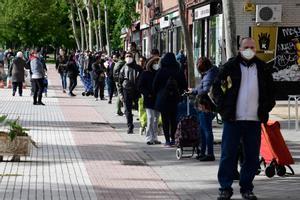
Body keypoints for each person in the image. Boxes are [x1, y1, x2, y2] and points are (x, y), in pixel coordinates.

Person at [212, 37, 276, 200]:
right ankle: (225, 188)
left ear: (256, 49)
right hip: (233, 120)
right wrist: (223, 109)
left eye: (252, 47)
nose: (249, 50)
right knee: (228, 154)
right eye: (246, 47)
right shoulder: (230, 67)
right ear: (240, 49)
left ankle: (247, 187)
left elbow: (271, 92)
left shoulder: (262, 68)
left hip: (254, 121)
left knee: (252, 157)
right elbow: (216, 89)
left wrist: (265, 108)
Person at [153, 52, 187, 147]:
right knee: (174, 119)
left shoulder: (161, 71)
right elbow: (184, 84)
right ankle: (173, 138)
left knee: (165, 120)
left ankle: (167, 140)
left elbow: (154, 85)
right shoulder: (178, 70)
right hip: (175, 98)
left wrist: (159, 93)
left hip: (163, 99)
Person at [189, 57, 219, 161]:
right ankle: (203, 152)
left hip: (206, 105)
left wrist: (195, 91)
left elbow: (205, 90)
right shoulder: (211, 73)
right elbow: (203, 87)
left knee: (206, 130)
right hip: (206, 106)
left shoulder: (209, 75)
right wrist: (194, 90)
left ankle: (209, 153)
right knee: (203, 129)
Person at [138, 56, 161, 145]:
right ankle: (148, 137)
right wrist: (147, 94)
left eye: (157, 63)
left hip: (158, 99)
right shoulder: (145, 73)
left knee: (156, 119)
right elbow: (140, 86)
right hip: (149, 99)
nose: (156, 65)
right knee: (150, 118)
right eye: (154, 63)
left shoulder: (159, 73)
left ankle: (155, 137)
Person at [119, 51, 143, 134]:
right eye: (127, 56)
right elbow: (120, 82)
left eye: (130, 56)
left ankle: (143, 125)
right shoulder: (123, 68)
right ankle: (130, 126)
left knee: (140, 108)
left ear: (133, 57)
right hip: (126, 90)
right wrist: (120, 94)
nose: (128, 57)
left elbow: (142, 80)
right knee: (128, 110)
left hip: (137, 91)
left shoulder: (138, 68)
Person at [113, 51, 126, 116]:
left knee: (119, 94)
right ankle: (123, 110)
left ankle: (118, 110)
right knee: (122, 95)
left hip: (117, 80)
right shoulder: (123, 63)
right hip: (121, 81)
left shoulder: (118, 63)